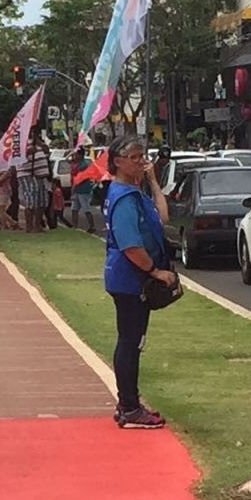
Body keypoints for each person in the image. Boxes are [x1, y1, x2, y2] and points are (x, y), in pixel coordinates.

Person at [103, 135, 176, 429]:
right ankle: (130, 407)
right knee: (130, 342)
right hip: (129, 279)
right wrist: (154, 271)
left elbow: (163, 216)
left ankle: (128, 404)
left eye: (141, 156)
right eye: (133, 157)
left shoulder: (134, 193)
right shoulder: (122, 197)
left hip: (132, 278)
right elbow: (130, 244)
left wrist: (153, 181)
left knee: (133, 341)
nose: (139, 162)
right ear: (118, 162)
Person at [71, 147, 96, 233]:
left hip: (83, 190)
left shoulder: (83, 165)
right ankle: (75, 226)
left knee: (86, 209)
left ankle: (92, 226)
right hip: (78, 190)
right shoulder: (78, 164)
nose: (75, 156)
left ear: (80, 155)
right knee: (74, 209)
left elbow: (76, 174)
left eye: (76, 154)